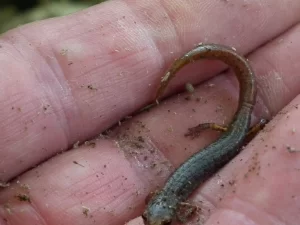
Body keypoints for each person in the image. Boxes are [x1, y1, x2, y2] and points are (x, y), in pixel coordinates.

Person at [0, 1, 300, 224]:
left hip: (235, 135)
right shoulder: (170, 198)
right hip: (231, 134)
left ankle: (252, 126)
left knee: (247, 129)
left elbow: (187, 210)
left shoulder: (175, 201)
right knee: (240, 129)